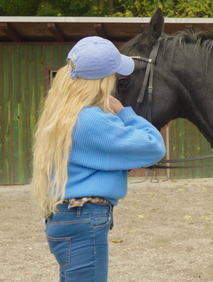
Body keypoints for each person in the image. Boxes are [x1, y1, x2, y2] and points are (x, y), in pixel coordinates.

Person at [31, 36, 166, 281]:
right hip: (84, 220)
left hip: (63, 218)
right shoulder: (93, 120)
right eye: (115, 76)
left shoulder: (62, 114)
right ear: (104, 81)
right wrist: (124, 111)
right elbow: (153, 146)